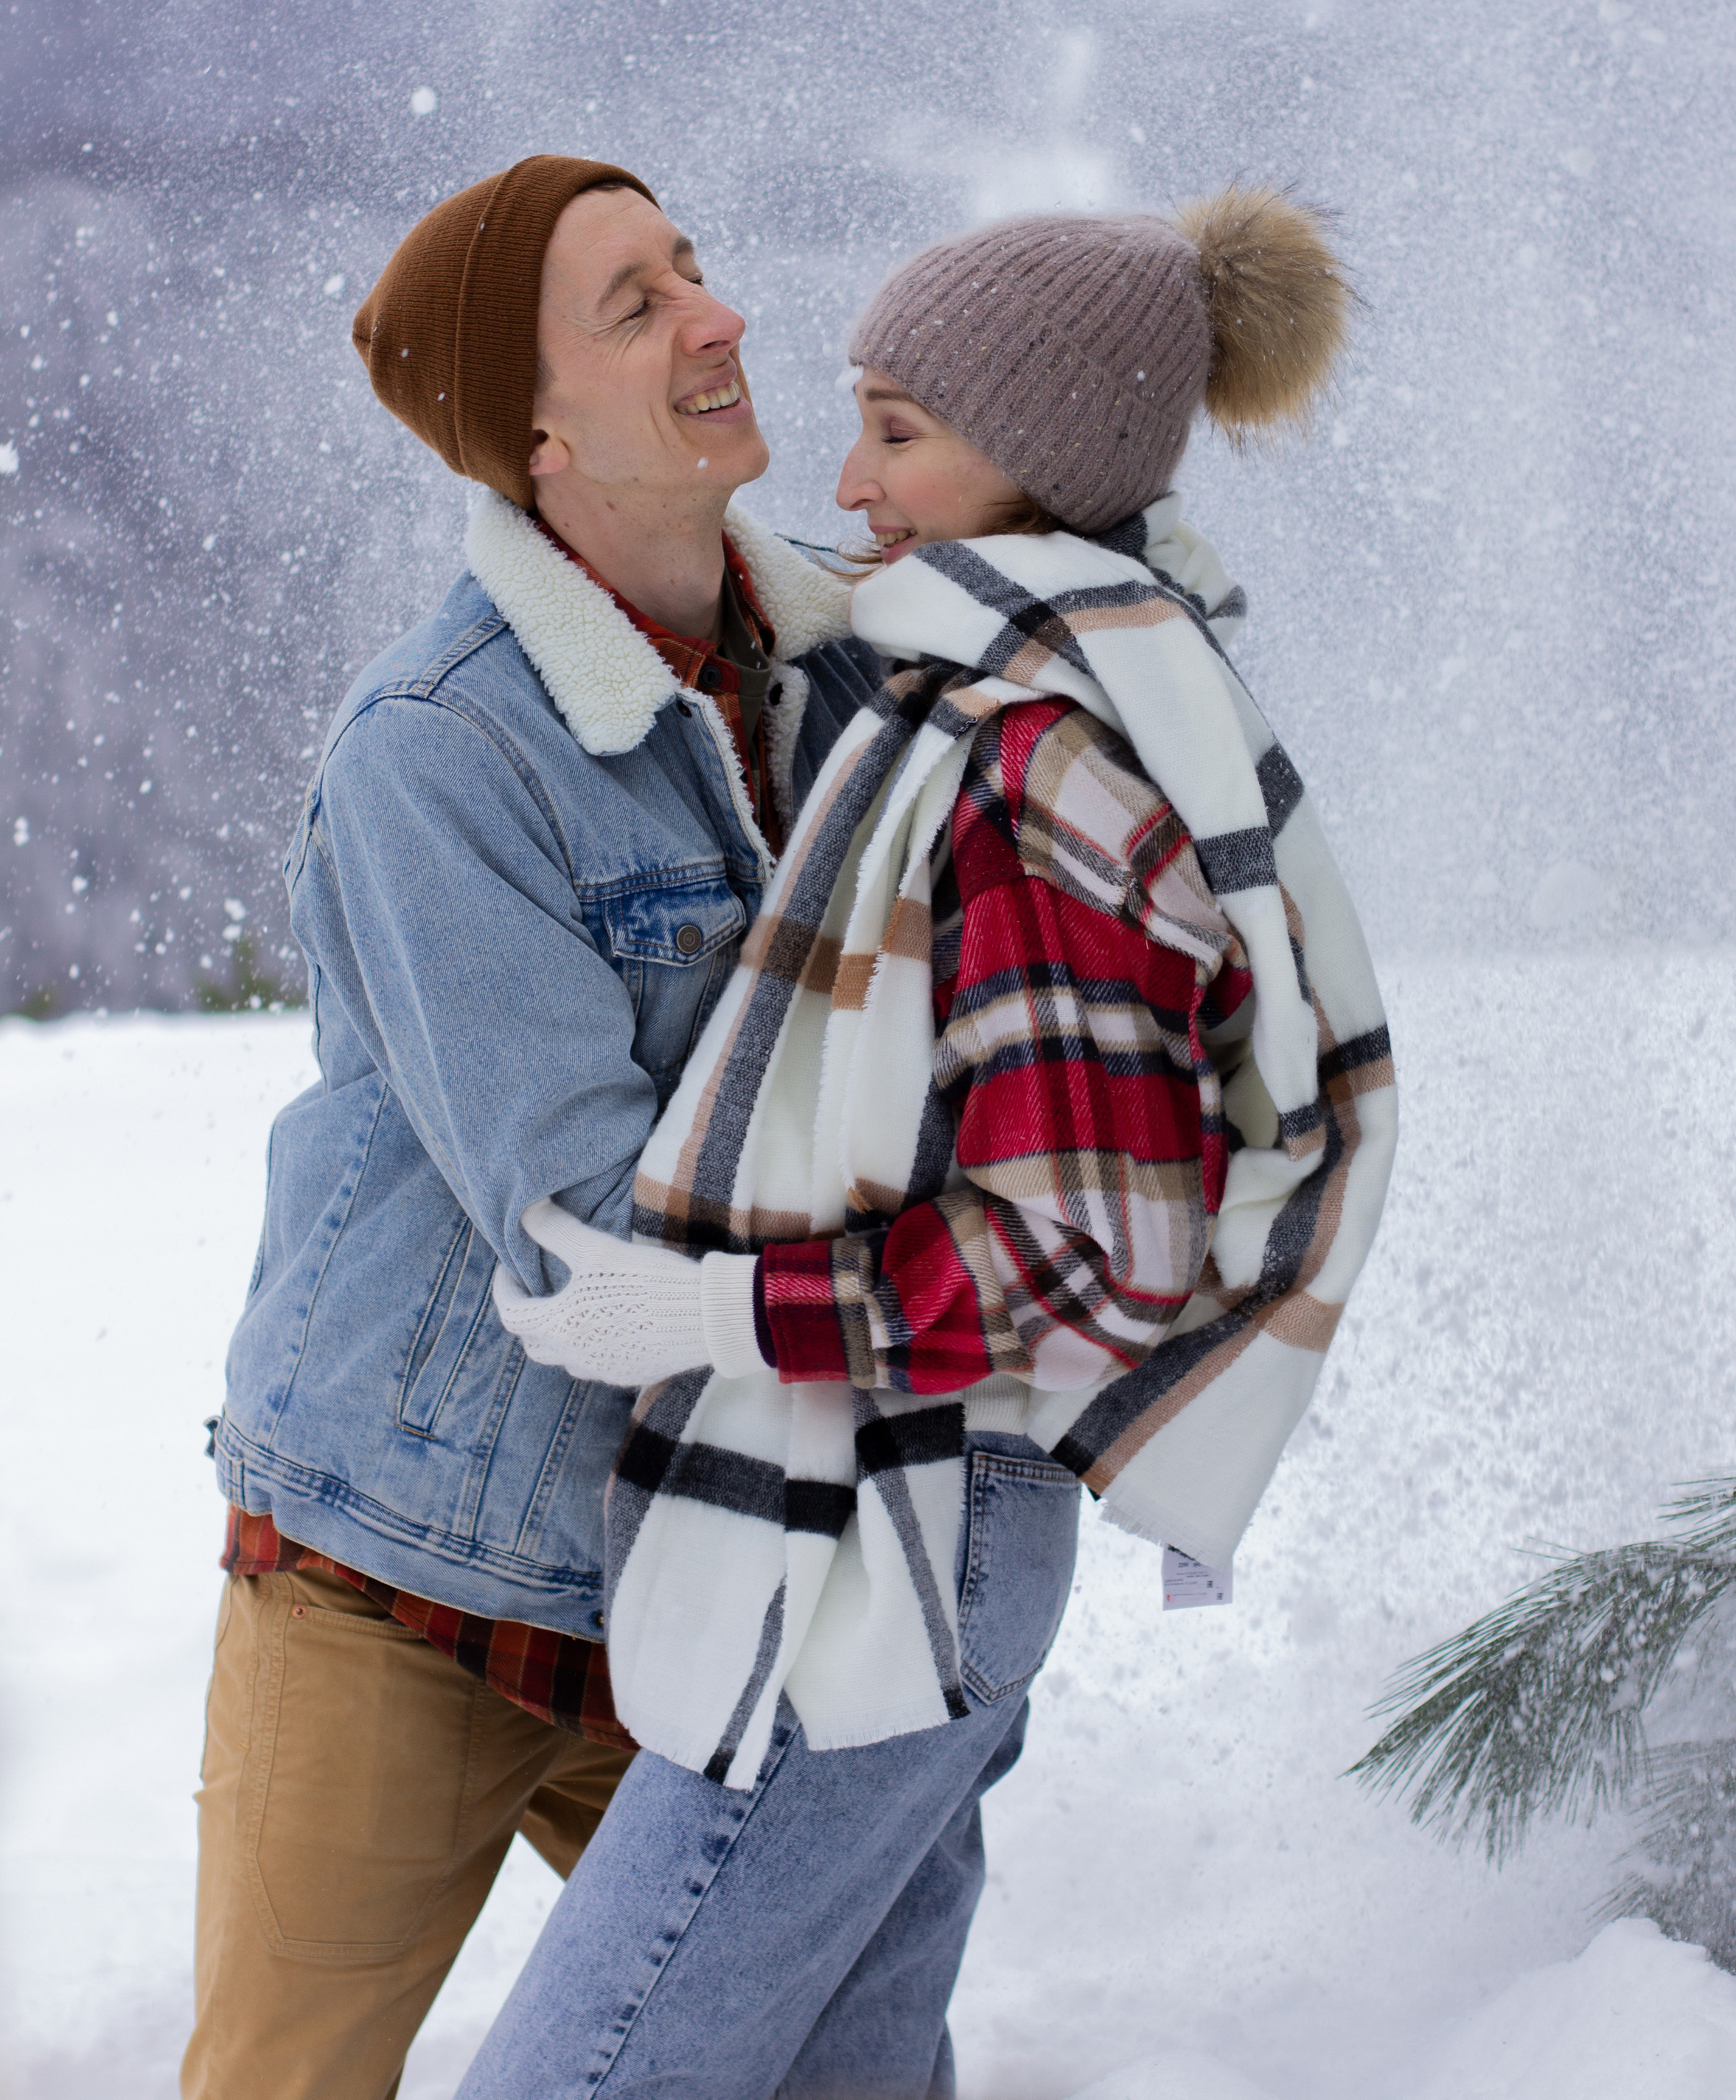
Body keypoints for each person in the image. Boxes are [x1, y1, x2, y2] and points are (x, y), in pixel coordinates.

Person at [462, 187, 1401, 2100]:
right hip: (925, 1512)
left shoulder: (1035, 750)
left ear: (1034, 464)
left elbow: (1081, 1248)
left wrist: (726, 1318)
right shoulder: (1035, 689)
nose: (849, 475)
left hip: (893, 1520)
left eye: (899, 427)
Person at [186, 153, 882, 2100]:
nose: (719, 317)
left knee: (831, 2068)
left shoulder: (852, 690)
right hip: (404, 1565)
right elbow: (590, 1229)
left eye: (694, 267)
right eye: (636, 306)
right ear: (533, 431)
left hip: (710, 1560)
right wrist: (937, 1266)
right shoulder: (443, 751)